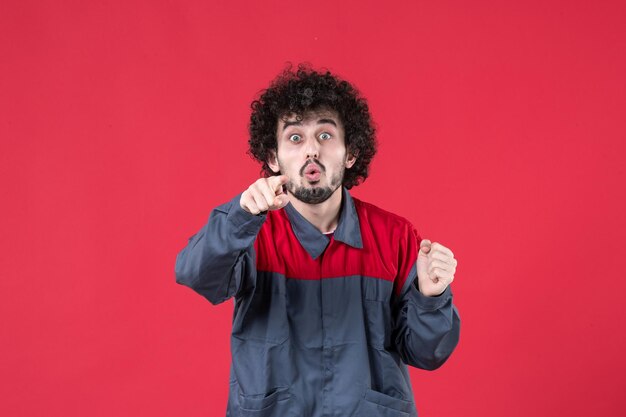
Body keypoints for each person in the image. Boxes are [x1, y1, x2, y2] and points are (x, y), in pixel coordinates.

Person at [175, 63, 461, 417]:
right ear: (273, 158)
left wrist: (431, 298)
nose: (311, 150)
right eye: (295, 138)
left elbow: (426, 353)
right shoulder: (251, 232)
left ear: (350, 154)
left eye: (325, 136)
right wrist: (239, 217)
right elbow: (197, 276)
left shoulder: (396, 237)